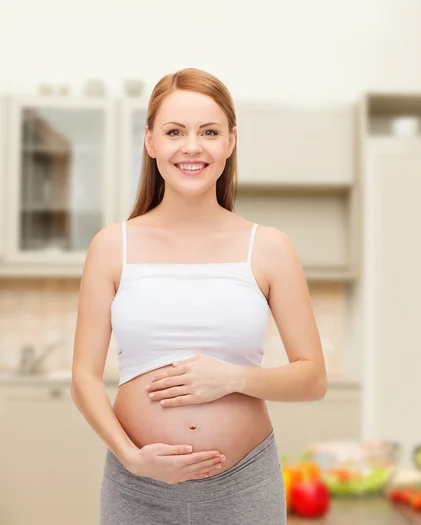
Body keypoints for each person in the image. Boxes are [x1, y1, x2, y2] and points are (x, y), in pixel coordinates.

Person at [71, 67, 328, 525]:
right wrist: (131, 457)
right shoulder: (112, 246)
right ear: (150, 142)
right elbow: (84, 379)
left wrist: (231, 379)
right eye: (175, 132)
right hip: (137, 487)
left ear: (230, 142)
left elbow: (312, 379)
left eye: (209, 132)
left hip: (245, 485)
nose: (192, 147)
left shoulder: (268, 247)